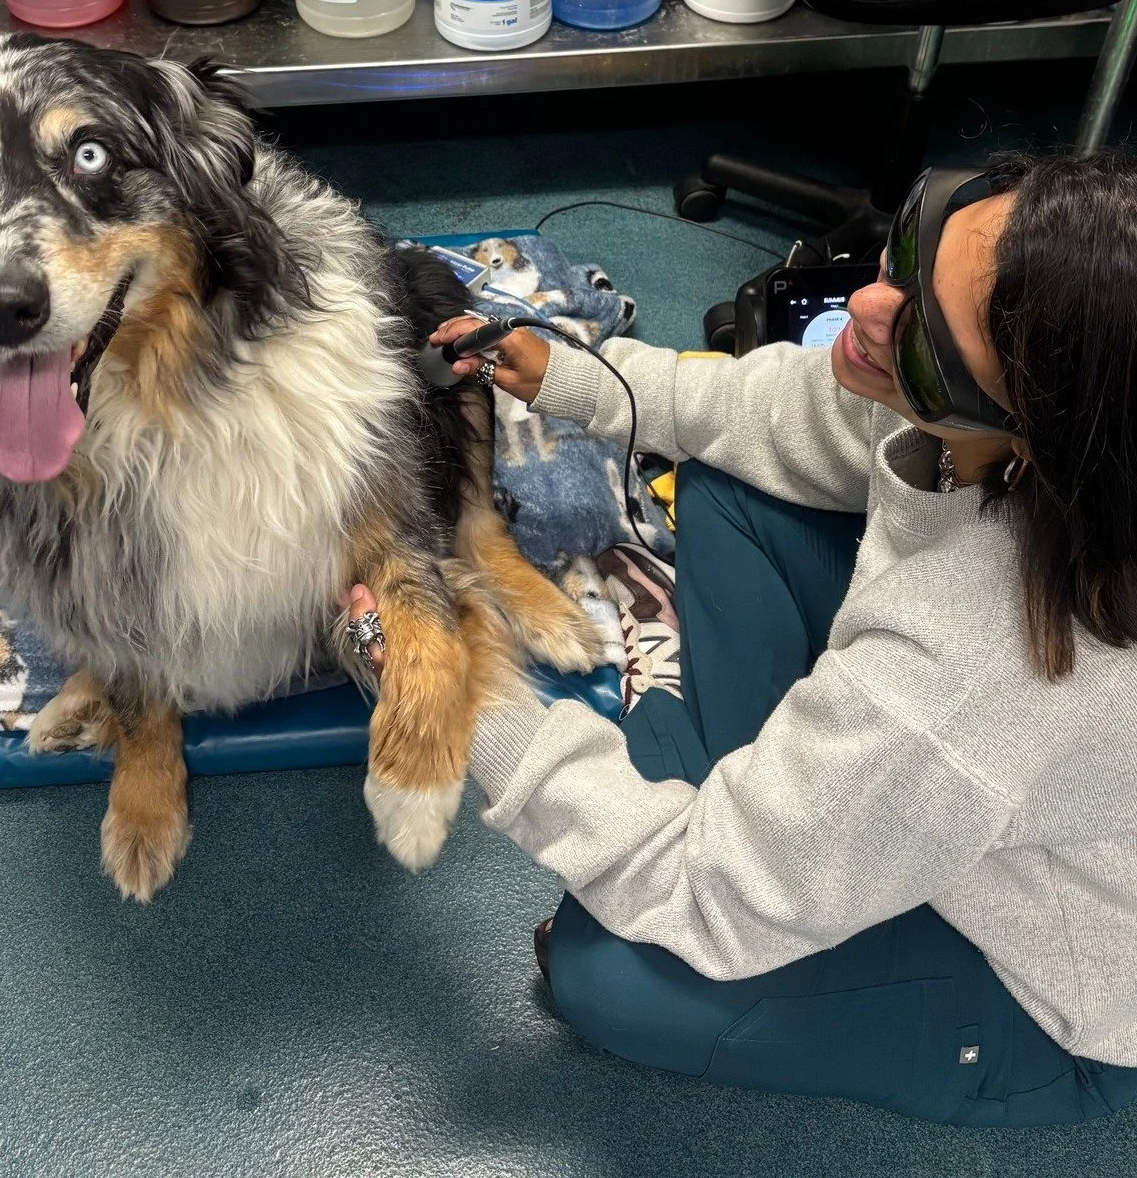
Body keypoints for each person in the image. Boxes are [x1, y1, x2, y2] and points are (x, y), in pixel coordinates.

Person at [345, 152, 1137, 1127]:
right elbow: (803, 409)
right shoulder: (1076, 440)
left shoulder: (967, 676)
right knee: (735, 474)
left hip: (1058, 1001)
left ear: (1032, 442)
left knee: (610, 973)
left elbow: (701, 894)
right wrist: (585, 380)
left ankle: (775, 827)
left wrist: (460, 697)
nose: (865, 309)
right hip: (959, 781)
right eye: (907, 250)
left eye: (925, 345)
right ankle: (779, 809)